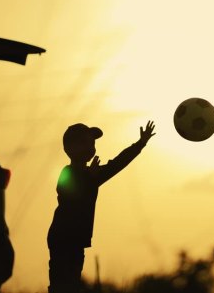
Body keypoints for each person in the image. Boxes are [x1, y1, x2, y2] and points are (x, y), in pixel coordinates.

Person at [47, 120, 156, 293]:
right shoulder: (67, 173)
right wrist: (89, 178)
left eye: (93, 143)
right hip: (63, 237)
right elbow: (68, 195)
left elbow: (117, 164)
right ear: (71, 147)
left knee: (71, 285)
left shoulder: (92, 175)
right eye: (85, 143)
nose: (91, 147)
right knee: (62, 285)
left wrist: (140, 143)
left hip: (76, 240)